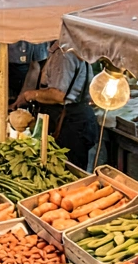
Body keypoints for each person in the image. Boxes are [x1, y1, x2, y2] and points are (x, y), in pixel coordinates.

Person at [14, 41, 97, 169]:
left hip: (68, 123)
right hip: (77, 118)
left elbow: (58, 95)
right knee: (73, 168)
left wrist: (30, 95)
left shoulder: (63, 55)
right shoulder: (71, 50)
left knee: (66, 169)